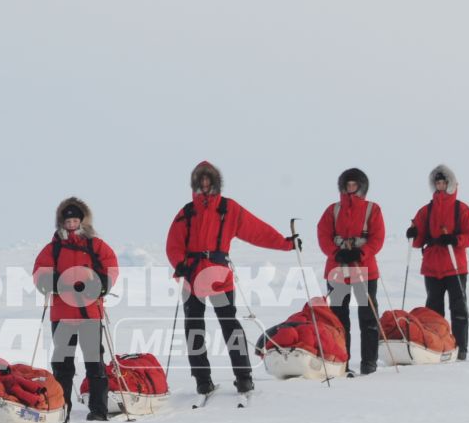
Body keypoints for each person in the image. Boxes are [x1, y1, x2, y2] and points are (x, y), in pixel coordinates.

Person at [166, 161, 297, 399]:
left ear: (215, 183)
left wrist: (286, 244)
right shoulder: (186, 212)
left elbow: (257, 231)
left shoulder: (229, 209)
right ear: (196, 184)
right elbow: (173, 243)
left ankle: (244, 377)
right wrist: (181, 264)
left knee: (229, 325)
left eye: (209, 181)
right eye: (201, 182)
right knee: (194, 327)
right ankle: (202, 381)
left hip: (218, 275)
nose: (205, 186)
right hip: (193, 275)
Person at [33, 197, 120, 422]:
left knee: (94, 363)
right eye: (67, 221)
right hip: (62, 314)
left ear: (82, 221)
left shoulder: (95, 245)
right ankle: (62, 411)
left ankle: (98, 410)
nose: (71, 224)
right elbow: (39, 272)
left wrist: (101, 285)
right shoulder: (53, 248)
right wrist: (51, 283)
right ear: (61, 223)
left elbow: (111, 266)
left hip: (89, 313)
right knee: (62, 365)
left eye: (74, 220)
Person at [317, 168, 387, 374]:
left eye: (354, 185)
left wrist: (361, 253)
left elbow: (377, 238)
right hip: (337, 269)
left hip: (364, 269)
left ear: (362, 186)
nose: (350, 188)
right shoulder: (332, 210)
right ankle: (342, 361)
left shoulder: (372, 209)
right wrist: (336, 253)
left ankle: (369, 362)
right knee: (338, 318)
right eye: (348, 185)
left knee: (368, 316)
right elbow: (323, 235)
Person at [405, 164, 469, 358]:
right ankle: (437, 346)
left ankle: (461, 349)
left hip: (455, 266)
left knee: (459, 309)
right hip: (432, 267)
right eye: (437, 182)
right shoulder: (425, 211)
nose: (440, 185)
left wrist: (456, 240)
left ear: (450, 184)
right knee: (434, 312)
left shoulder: (462, 209)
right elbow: (418, 240)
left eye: (443, 182)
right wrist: (413, 234)